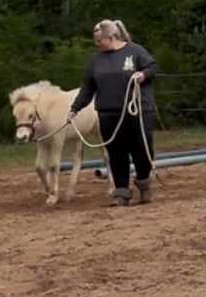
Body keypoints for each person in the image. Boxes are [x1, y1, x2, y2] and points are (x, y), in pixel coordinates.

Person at [67, 19, 158, 206]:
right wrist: (75, 108)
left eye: (99, 40)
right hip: (108, 114)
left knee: (141, 150)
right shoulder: (96, 60)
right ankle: (121, 192)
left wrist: (143, 75)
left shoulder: (135, 51)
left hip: (137, 112)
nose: (96, 44)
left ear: (111, 37)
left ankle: (144, 183)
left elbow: (152, 67)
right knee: (116, 153)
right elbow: (88, 87)